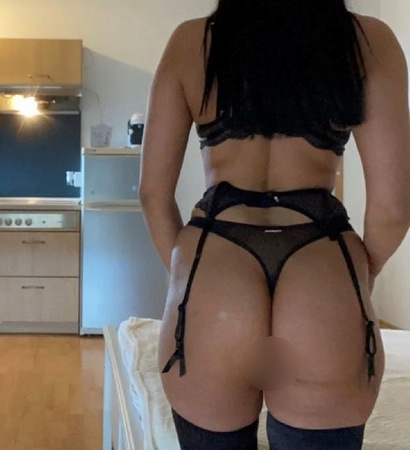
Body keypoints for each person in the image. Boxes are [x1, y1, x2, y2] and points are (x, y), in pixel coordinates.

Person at [139, 0, 410, 448]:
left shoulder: (191, 41)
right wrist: (359, 279)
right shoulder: (368, 41)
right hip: (321, 265)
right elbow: (393, 210)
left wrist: (184, 281)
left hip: (215, 267)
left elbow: (152, 194)